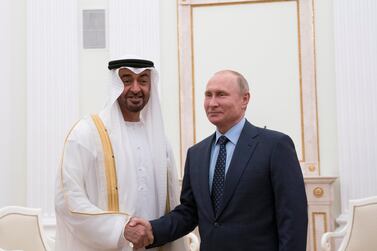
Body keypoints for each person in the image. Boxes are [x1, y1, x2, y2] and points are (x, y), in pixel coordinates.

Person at [127, 69, 308, 251]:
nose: (212, 103)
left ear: (244, 99)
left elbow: (293, 218)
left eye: (221, 95)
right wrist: (152, 229)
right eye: (208, 95)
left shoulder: (275, 146)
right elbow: (189, 213)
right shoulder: (196, 154)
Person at [54, 55, 189, 251]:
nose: (136, 88)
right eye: (126, 80)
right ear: (115, 84)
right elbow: (67, 200)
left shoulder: (160, 141)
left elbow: (172, 202)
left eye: (143, 81)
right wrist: (120, 230)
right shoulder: (86, 134)